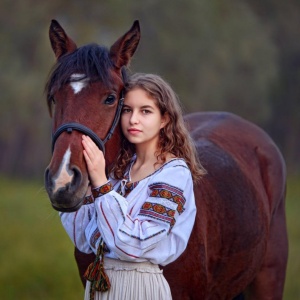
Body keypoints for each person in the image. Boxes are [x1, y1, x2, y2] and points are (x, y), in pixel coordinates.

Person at [60, 73, 206, 300]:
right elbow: (84, 239)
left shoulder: (174, 174)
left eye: (145, 111)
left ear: (165, 119)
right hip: (101, 287)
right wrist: (86, 184)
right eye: (127, 110)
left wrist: (100, 185)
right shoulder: (119, 172)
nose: (133, 119)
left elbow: (133, 246)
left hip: (140, 287)